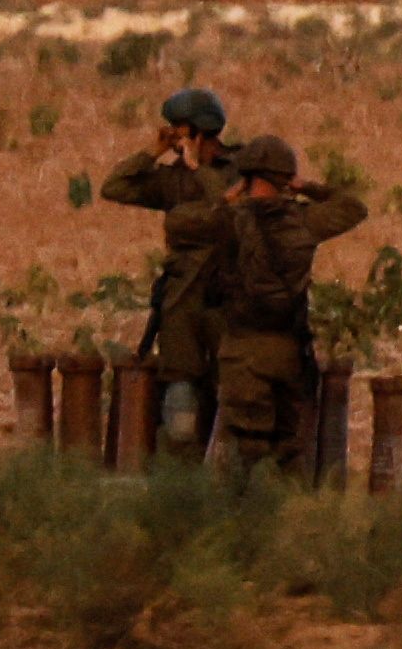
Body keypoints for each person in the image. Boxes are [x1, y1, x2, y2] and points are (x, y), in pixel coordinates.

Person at [162, 135, 365, 480]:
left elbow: (177, 224)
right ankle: (290, 509)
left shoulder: (228, 220)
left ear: (246, 177)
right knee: (289, 449)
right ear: (286, 178)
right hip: (289, 351)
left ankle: (250, 510)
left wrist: (225, 198)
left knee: (245, 451)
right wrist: (307, 187)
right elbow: (353, 208)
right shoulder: (304, 220)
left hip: (242, 351)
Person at [98, 85, 230, 459]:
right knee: (180, 389)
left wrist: (200, 169)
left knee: (231, 389)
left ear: (201, 131)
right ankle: (180, 473)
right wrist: (151, 153)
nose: (175, 137)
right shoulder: (174, 179)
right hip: (182, 299)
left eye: (181, 130)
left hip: (226, 297)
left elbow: (229, 209)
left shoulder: (236, 170)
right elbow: (114, 187)